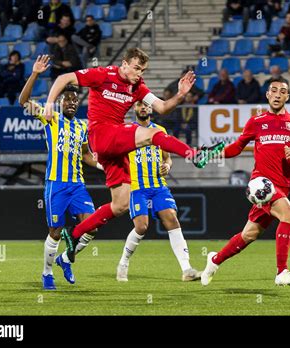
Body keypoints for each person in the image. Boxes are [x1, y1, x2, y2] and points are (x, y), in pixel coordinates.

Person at [44, 48, 224, 262]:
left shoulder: (138, 87)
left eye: (143, 69)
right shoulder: (103, 74)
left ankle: (73, 235)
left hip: (114, 145)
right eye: (137, 68)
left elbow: (163, 108)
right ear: (125, 64)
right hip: (102, 133)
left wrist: (181, 94)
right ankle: (194, 155)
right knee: (153, 134)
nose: (140, 73)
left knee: (120, 204)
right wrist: (49, 103)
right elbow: (64, 77)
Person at [201, 77, 290, 286]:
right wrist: (214, 154)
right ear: (268, 95)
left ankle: (214, 260)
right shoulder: (256, 121)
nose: (278, 94)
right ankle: (282, 272)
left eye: (283, 91)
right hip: (262, 184)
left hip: (282, 186)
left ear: (287, 96)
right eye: (274, 90)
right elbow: (237, 147)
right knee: (289, 214)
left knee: (249, 235)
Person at [18, 55, 102, 290]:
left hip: (77, 185)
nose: (72, 103)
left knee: (92, 226)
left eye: (76, 101)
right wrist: (35, 74)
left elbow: (86, 155)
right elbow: (23, 101)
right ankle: (47, 274)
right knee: (54, 231)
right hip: (56, 184)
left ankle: (65, 259)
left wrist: (102, 165)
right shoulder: (51, 118)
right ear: (61, 102)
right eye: (68, 100)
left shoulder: (82, 126)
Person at [116, 101, 201, 282]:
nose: (143, 108)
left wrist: (167, 167)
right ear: (135, 108)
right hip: (137, 188)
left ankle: (186, 269)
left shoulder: (159, 131)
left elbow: (168, 159)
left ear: (151, 108)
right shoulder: (127, 131)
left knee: (172, 219)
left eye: (146, 105)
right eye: (139, 105)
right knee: (141, 227)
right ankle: (123, 262)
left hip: (158, 186)